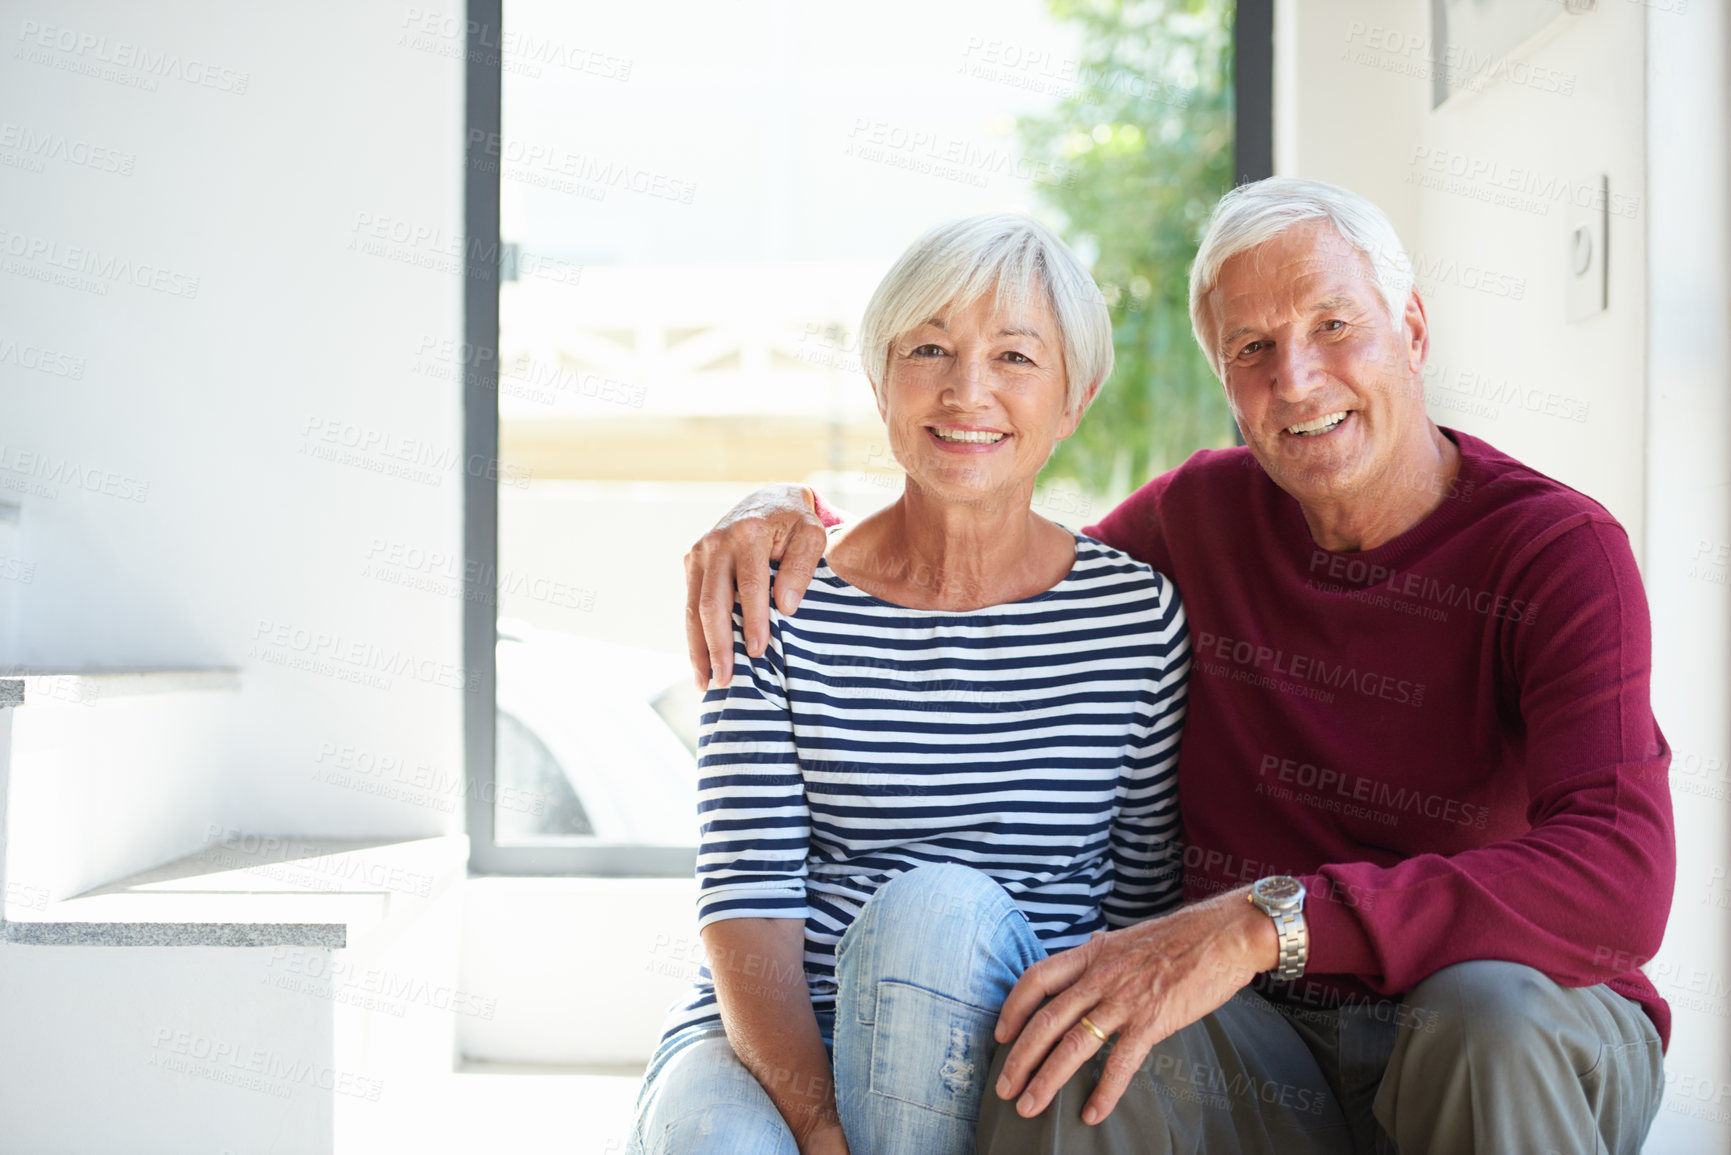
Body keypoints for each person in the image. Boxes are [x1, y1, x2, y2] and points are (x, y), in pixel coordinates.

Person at [681, 177, 1674, 1155]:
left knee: (1483, 1013)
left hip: (1507, 1022)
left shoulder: (1554, 550)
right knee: (1087, 1037)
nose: (1296, 378)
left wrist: (1263, 925)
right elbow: (984, 552)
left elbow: (1621, 877)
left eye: (1334, 325)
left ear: (1411, 328)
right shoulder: (1197, 521)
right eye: (1253, 348)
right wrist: (774, 515)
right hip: (1274, 1035)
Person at [628, 214, 1213, 1155]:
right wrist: (818, 1128)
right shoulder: (775, 597)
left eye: (1016, 357)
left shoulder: (1135, 620)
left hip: (1006, 1052)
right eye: (927, 349)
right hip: (767, 1040)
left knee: (931, 913)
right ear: (878, 382)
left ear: (1075, 397)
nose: (966, 390)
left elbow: (1136, 909)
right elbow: (746, 903)